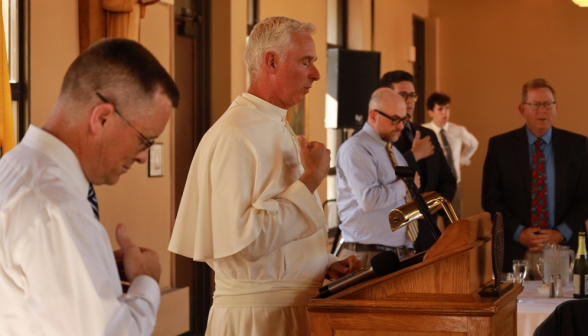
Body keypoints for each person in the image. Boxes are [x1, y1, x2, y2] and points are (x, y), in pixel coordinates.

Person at [168, 16, 362, 336]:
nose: (315, 74)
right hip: (258, 320)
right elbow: (244, 243)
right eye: (306, 62)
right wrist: (311, 180)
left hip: (288, 310)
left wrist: (322, 263)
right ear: (271, 61)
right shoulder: (236, 134)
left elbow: (274, 245)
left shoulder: (273, 124)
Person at [0, 38, 180, 335]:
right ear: (103, 117)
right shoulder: (54, 209)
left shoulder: (14, 168)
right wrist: (146, 282)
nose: (143, 156)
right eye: (144, 139)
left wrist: (93, 267)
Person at [482, 78, 588, 277]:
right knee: (513, 308)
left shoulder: (578, 145)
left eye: (548, 104)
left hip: (565, 250)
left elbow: (585, 198)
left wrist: (561, 232)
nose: (543, 110)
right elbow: (490, 199)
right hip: (515, 251)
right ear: (522, 109)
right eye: (536, 104)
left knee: (566, 307)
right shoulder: (500, 146)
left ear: (555, 108)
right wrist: (519, 232)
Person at [336, 87, 420, 265]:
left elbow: (399, 201)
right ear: (373, 115)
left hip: (399, 253)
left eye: (403, 119)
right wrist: (405, 184)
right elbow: (369, 200)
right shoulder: (356, 148)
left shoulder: (393, 150)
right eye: (395, 119)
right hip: (369, 255)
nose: (400, 126)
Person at [378, 70, 457, 252]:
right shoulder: (380, 138)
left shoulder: (427, 134)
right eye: (403, 95)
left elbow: (448, 179)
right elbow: (383, 178)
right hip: (394, 238)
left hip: (429, 234)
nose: (409, 101)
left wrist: (434, 204)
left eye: (412, 95)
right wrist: (413, 155)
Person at [422, 92, 478, 219]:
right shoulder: (424, 130)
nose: (444, 112)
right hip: (431, 187)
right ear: (430, 112)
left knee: (455, 226)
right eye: (440, 109)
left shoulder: (458, 130)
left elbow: (473, 144)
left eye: (447, 108)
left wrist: (463, 160)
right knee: (430, 225)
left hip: (453, 184)